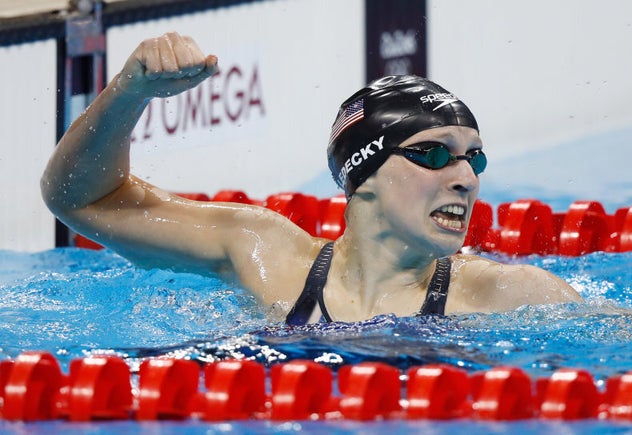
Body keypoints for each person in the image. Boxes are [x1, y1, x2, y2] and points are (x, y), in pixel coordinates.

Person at [41, 31, 584, 325]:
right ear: (362, 173)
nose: (466, 178)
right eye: (435, 155)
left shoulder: (507, 294)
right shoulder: (265, 254)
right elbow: (81, 200)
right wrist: (129, 92)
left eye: (474, 158)